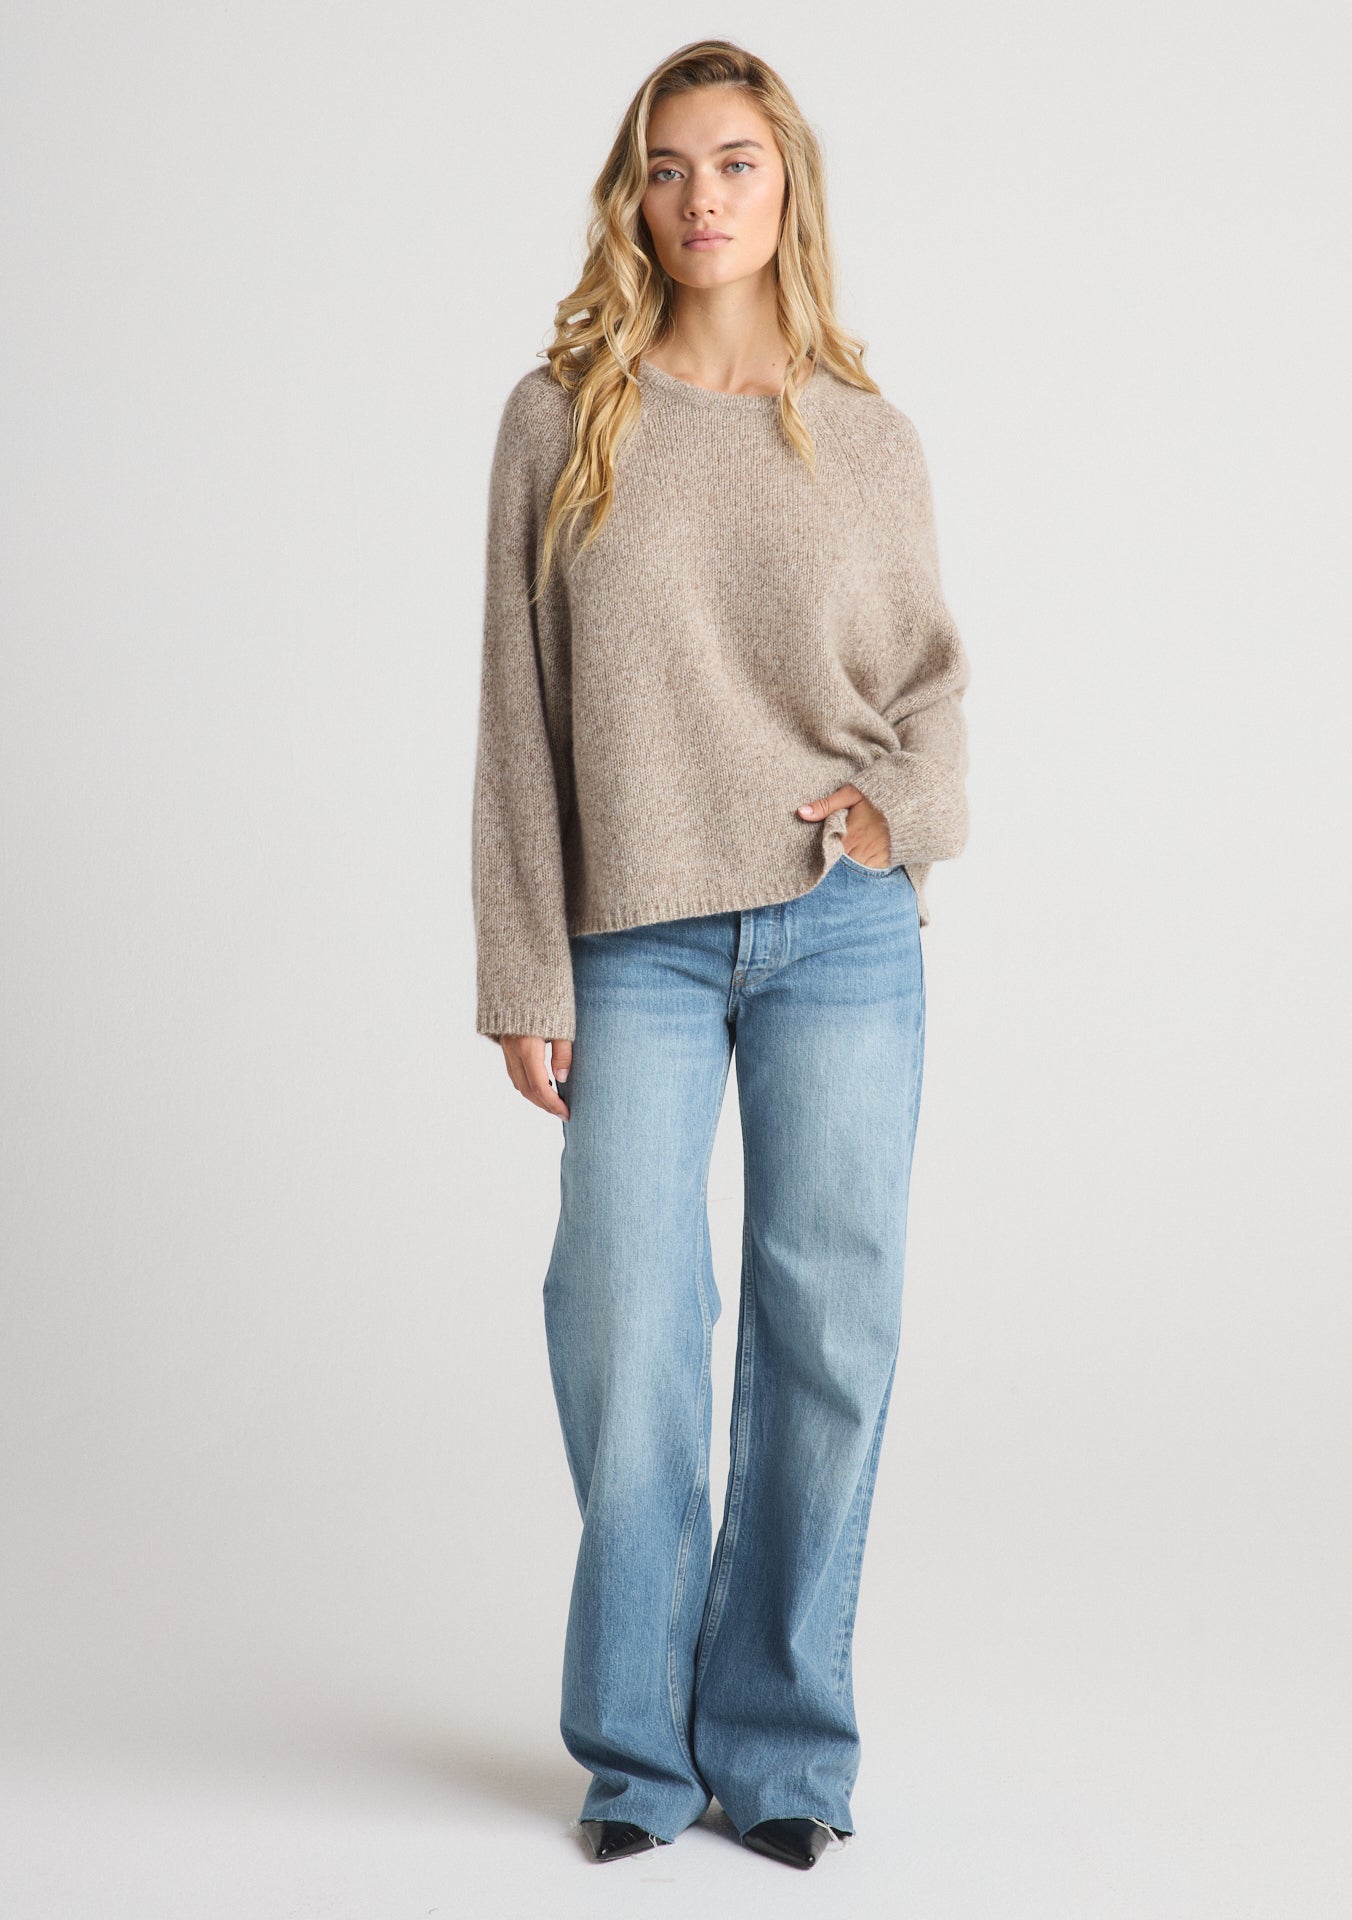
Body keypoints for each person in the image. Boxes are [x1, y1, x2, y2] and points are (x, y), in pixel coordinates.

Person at [471, 39, 972, 1872]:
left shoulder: (866, 434)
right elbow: (517, 721)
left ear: (787, 187)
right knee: (626, 1324)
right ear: (636, 194)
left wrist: (891, 819)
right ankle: (636, 1751)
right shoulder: (561, 417)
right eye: (670, 167)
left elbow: (933, 690)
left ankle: (777, 1745)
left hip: (841, 931)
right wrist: (521, 972)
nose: (702, 199)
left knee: (828, 1330)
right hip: (636, 940)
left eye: (736, 163)